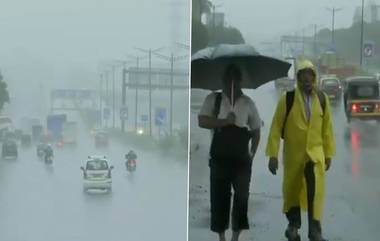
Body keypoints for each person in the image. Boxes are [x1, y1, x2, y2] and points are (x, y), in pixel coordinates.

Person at [265, 59, 336, 241]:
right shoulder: (287, 99)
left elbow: (327, 129)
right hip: (294, 156)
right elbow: (275, 127)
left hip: (315, 156)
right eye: (303, 78)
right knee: (292, 191)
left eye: (310, 78)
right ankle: (293, 226)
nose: (307, 82)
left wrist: (328, 154)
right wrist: (272, 155)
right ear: (298, 79)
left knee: (315, 192)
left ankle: (315, 231)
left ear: (314, 79)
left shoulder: (322, 99)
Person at [198, 64, 261, 241]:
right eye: (227, 79)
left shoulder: (248, 103)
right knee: (219, 199)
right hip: (219, 159)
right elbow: (202, 121)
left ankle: (235, 237)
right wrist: (224, 122)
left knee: (241, 199)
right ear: (223, 80)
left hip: (242, 160)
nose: (231, 82)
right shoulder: (214, 99)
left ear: (240, 80)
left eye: (234, 78)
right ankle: (221, 237)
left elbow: (256, 130)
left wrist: (252, 154)